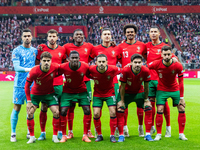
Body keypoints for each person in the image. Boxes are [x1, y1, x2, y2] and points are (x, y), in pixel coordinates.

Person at [148, 46, 187, 141]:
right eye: (164, 54)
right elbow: (146, 67)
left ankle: (181, 134)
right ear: (161, 55)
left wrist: (181, 97)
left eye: (168, 54)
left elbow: (181, 82)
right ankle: (159, 134)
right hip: (161, 90)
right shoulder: (157, 63)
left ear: (171, 54)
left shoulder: (177, 65)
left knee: (181, 107)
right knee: (160, 109)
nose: (166, 56)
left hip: (174, 89)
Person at [63, 29, 95, 138]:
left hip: (85, 81)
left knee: (87, 107)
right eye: (77, 34)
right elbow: (60, 56)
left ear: (84, 36)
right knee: (70, 107)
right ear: (73, 36)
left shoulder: (89, 46)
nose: (79, 36)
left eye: (81, 34)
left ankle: (88, 131)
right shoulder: (66, 47)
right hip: (72, 81)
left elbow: (97, 53)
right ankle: (70, 132)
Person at [117, 24, 147, 137]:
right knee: (124, 104)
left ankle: (140, 128)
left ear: (135, 33)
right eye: (128, 32)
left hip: (139, 79)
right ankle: (124, 128)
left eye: (132, 32)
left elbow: (151, 56)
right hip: (126, 79)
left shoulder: (142, 45)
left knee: (141, 106)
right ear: (125, 33)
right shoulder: (120, 46)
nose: (130, 33)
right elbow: (116, 59)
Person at [36, 29, 67, 141]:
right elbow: (37, 64)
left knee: (58, 108)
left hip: (58, 83)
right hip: (46, 83)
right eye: (50, 36)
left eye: (54, 36)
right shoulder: (42, 49)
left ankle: (59, 132)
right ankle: (43, 133)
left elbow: (64, 65)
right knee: (44, 107)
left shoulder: (62, 49)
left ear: (57, 37)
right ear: (47, 38)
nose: (52, 38)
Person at [25, 52, 60, 144]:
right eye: (44, 61)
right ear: (40, 61)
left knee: (56, 112)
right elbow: (27, 85)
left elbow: (66, 68)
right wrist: (29, 101)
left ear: (51, 61)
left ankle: (55, 136)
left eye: (48, 60)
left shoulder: (55, 67)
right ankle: (32, 137)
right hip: (36, 94)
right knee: (30, 113)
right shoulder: (34, 70)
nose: (46, 62)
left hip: (49, 94)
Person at [117, 54, 153, 142]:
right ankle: (121, 135)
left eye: (139, 62)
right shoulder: (125, 71)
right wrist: (121, 101)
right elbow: (122, 86)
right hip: (126, 94)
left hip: (139, 93)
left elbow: (146, 86)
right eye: (135, 62)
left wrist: (146, 99)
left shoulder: (145, 70)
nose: (137, 64)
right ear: (131, 63)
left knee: (148, 108)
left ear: (142, 63)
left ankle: (147, 134)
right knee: (120, 109)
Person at [10, 28, 37, 142]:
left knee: (31, 109)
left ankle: (29, 132)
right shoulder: (16, 51)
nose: (27, 38)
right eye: (25, 36)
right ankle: (13, 133)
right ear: (22, 37)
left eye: (28, 36)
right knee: (17, 108)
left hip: (32, 85)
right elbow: (17, 68)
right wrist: (31, 70)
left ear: (32, 37)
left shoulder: (35, 51)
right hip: (19, 85)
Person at [58, 51, 92, 143]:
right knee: (64, 111)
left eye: (76, 58)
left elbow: (92, 73)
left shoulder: (85, 66)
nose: (74, 59)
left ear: (79, 58)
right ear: (69, 59)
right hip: (68, 91)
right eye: (72, 58)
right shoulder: (63, 66)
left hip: (81, 90)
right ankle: (64, 135)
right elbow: (54, 71)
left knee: (87, 110)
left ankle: (85, 135)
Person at [89, 54, 121, 143]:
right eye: (99, 62)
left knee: (113, 112)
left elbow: (123, 71)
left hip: (110, 93)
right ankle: (99, 135)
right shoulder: (92, 69)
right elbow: (87, 74)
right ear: (96, 63)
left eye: (103, 62)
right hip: (97, 94)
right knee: (96, 114)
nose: (101, 63)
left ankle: (112, 135)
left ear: (107, 62)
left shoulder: (113, 69)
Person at [146, 26, 171, 136]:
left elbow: (172, 58)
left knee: (163, 104)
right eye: (151, 32)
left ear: (159, 34)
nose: (153, 33)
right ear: (149, 34)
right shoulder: (146, 46)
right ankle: (151, 127)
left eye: (155, 31)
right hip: (150, 80)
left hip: (161, 80)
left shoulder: (165, 47)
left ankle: (168, 127)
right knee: (150, 105)